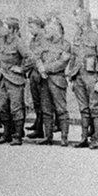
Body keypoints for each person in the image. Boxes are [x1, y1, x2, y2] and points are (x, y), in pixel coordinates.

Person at [67, 7, 98, 149]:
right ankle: (84, 138)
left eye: (78, 17)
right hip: (78, 76)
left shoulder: (97, 36)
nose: (75, 20)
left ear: (85, 18)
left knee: (95, 108)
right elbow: (73, 57)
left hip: (91, 76)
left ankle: (97, 139)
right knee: (83, 108)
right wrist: (71, 77)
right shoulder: (77, 36)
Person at [34, 16, 71, 146]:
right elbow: (37, 57)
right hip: (44, 79)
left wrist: (46, 68)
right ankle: (48, 136)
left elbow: (62, 63)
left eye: (49, 29)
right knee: (46, 109)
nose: (46, 32)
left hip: (57, 80)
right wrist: (41, 69)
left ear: (56, 30)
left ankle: (64, 137)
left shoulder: (65, 45)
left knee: (61, 109)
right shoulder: (44, 43)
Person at [0, 17, 33, 146]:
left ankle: (18, 135)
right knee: (2, 107)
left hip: (15, 80)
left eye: (5, 27)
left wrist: (21, 69)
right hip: (3, 79)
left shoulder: (18, 42)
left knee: (16, 108)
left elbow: (30, 57)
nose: (2, 29)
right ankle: (6, 134)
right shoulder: (2, 41)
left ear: (11, 29)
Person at [26, 16, 47, 140]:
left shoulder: (43, 39)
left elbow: (36, 56)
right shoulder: (33, 40)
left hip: (40, 73)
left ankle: (40, 129)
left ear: (39, 27)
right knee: (36, 102)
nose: (30, 29)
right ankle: (38, 125)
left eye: (32, 27)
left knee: (42, 102)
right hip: (33, 73)